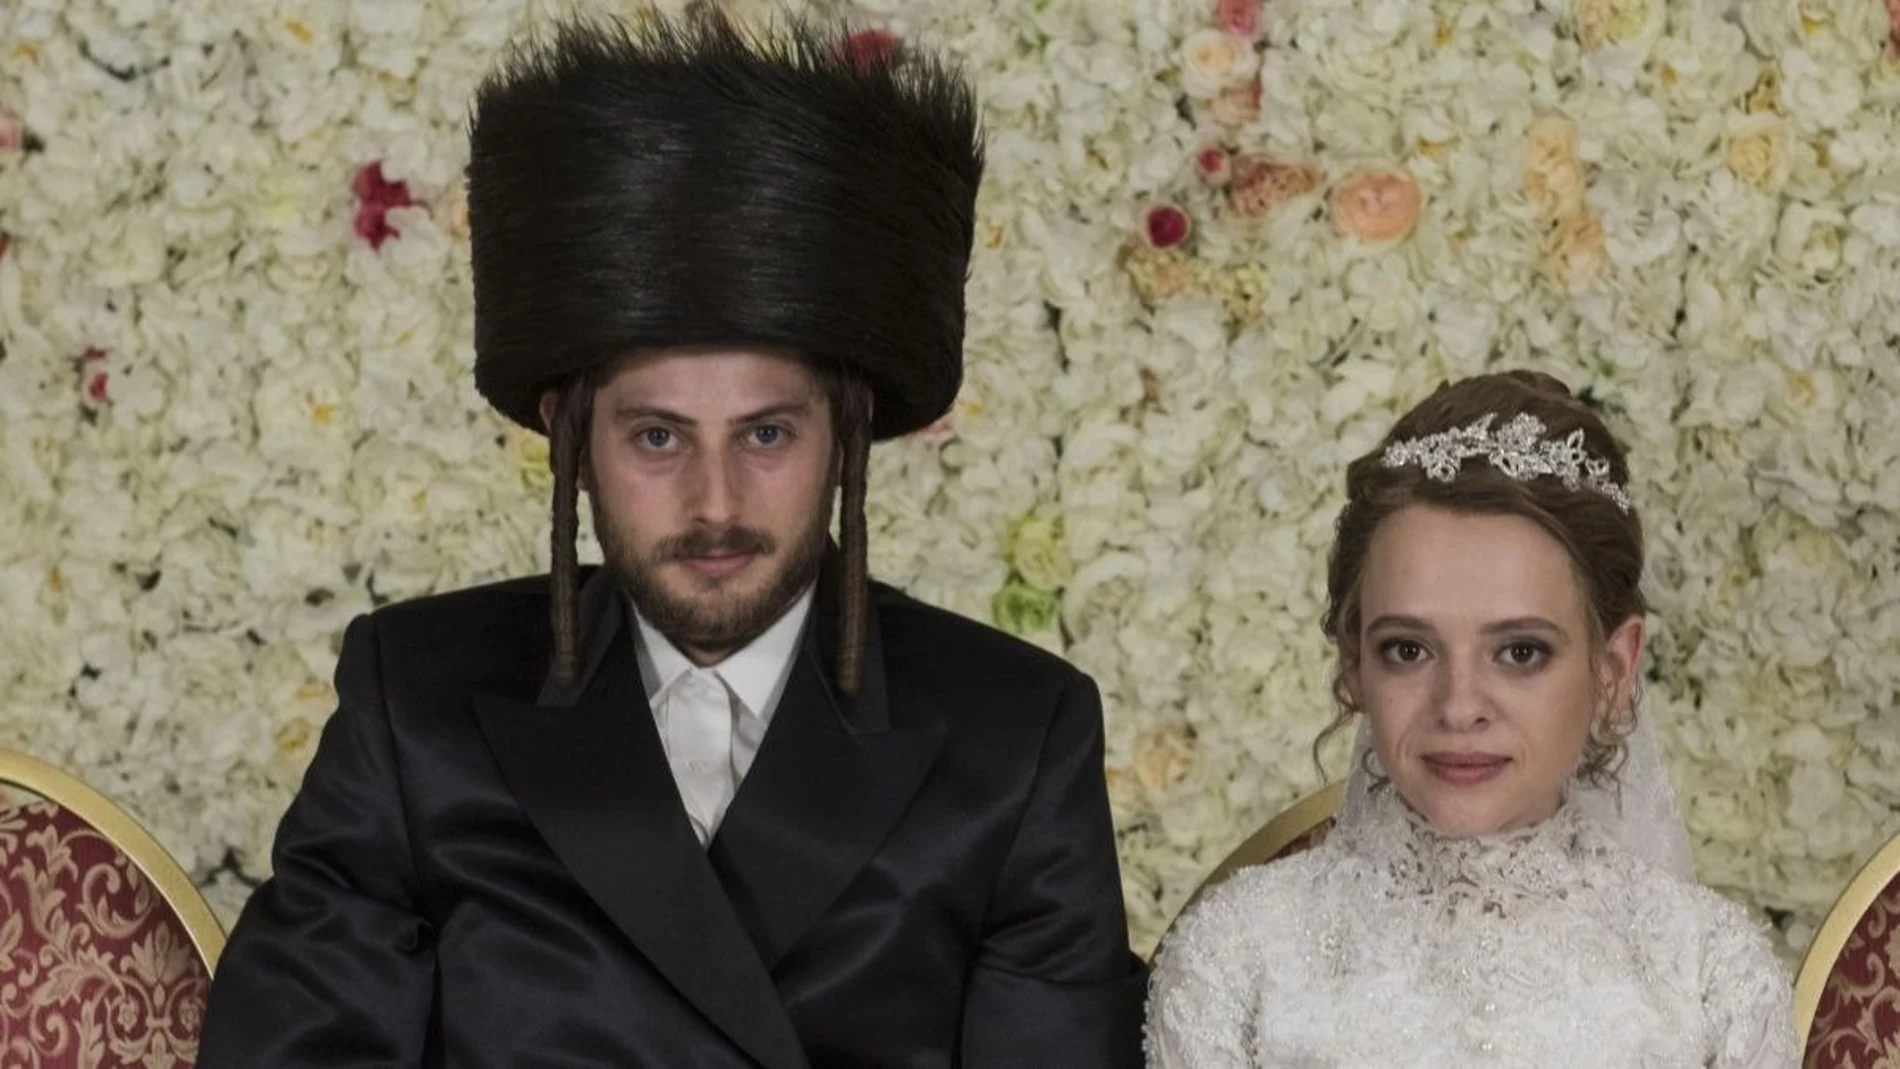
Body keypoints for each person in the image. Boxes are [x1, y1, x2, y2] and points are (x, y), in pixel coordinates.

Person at [198, 12, 1146, 1068]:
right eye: (657, 436)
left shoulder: (1015, 735)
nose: (715, 501)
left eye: (767, 433)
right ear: (570, 432)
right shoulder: (410, 697)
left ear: (847, 431)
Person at [1144, 371, 1797, 1068]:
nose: (1458, 706)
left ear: (1613, 668)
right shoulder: (1237, 959)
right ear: (1353, 662)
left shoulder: (1713, 976)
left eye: (1520, 651)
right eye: (1408, 649)